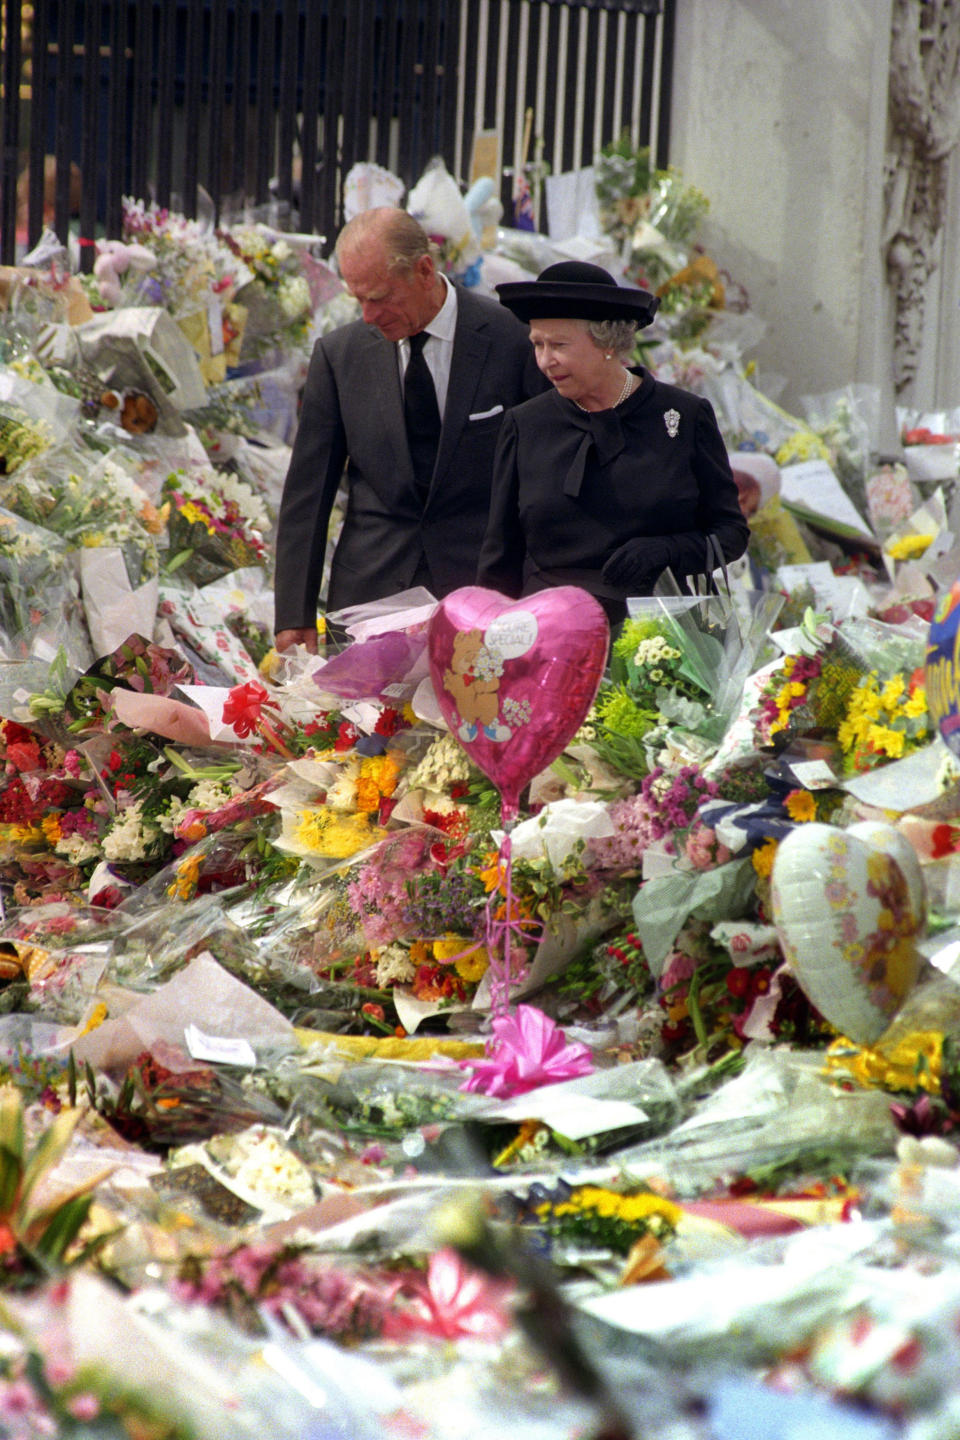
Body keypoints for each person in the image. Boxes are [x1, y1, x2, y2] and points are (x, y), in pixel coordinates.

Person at [273, 206, 546, 652]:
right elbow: (307, 492)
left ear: (424, 270)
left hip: (481, 592)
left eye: (380, 296)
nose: (367, 314)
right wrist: (294, 613)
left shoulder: (511, 339)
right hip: (370, 594)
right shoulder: (340, 356)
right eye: (357, 298)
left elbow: (539, 480)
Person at [476, 260, 750, 625]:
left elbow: (731, 533)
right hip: (552, 636)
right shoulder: (525, 425)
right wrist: (487, 640)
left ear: (608, 343)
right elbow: (501, 557)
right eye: (537, 345)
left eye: (559, 344)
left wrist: (667, 550)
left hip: (664, 637)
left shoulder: (684, 415)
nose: (545, 361)